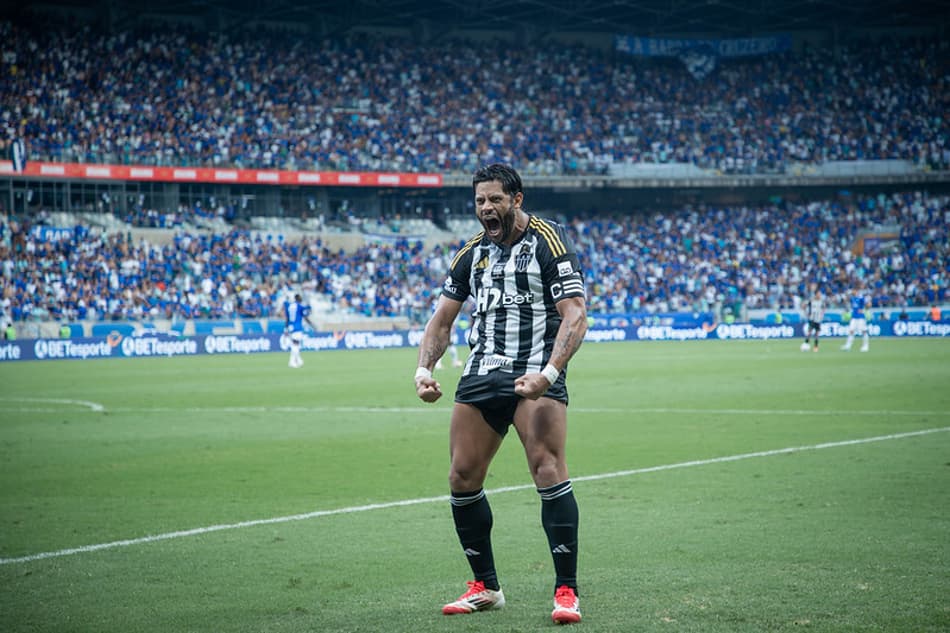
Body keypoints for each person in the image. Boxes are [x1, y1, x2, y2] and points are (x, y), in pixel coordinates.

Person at [413, 163, 588, 624]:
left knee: (547, 468)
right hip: (481, 374)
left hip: (534, 373)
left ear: (517, 199)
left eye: (494, 199)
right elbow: (442, 321)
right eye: (479, 201)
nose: (486, 208)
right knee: (461, 477)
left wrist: (548, 374)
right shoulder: (471, 254)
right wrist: (422, 370)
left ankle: (566, 590)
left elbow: (575, 315)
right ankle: (485, 587)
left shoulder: (549, 242)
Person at [283, 293, 315, 368]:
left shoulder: (290, 306)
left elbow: (287, 318)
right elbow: (305, 316)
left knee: (295, 344)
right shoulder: (299, 306)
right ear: (299, 299)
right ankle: (292, 361)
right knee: (296, 344)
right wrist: (312, 325)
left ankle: (298, 360)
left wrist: (286, 328)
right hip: (297, 327)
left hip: (291, 327)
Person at [841, 280, 870, 352]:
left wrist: (864, 310)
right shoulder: (853, 298)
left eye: (853, 290)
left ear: (856, 290)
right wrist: (846, 295)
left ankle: (865, 346)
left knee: (863, 331)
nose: (852, 292)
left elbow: (868, 304)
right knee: (851, 331)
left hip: (860, 317)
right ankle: (848, 346)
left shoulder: (861, 297)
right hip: (854, 317)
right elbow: (846, 300)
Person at [801, 284, 825, 352]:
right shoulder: (811, 301)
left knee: (817, 334)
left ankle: (816, 347)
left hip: (818, 319)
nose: (820, 295)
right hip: (812, 319)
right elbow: (803, 306)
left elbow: (823, 308)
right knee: (809, 332)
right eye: (819, 294)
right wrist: (806, 313)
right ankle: (806, 344)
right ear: (816, 294)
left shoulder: (821, 301)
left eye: (820, 294)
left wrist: (822, 315)